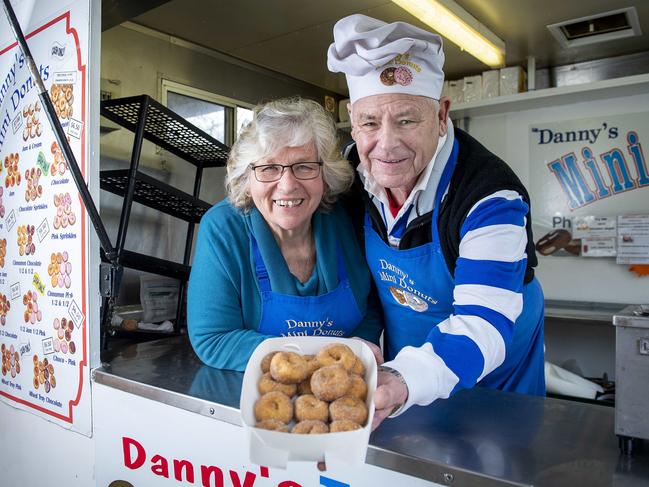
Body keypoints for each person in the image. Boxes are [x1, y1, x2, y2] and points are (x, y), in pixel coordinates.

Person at [328, 15, 545, 429]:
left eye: (407, 120)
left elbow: (483, 322)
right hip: (407, 370)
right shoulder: (350, 174)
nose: (386, 144)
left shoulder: (489, 196)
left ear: (442, 115)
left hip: (495, 372)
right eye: (369, 123)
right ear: (353, 120)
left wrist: (401, 379)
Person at [187, 96, 383, 371]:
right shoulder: (223, 229)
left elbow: (371, 310)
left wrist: (356, 354)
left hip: (344, 386)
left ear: (325, 176)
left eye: (304, 166)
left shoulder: (348, 219)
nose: (288, 185)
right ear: (246, 179)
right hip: (259, 394)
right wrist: (320, 361)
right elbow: (214, 340)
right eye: (269, 168)